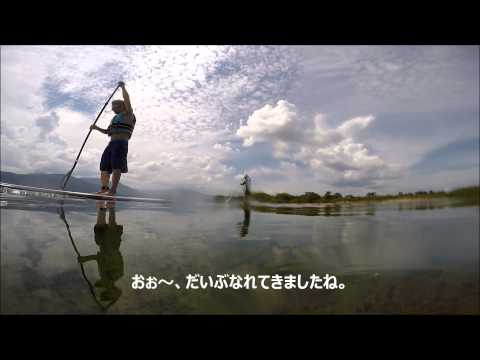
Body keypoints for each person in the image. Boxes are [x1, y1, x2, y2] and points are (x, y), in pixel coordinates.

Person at [90, 81, 136, 196]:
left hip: (121, 143)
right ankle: (104, 188)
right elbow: (108, 132)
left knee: (116, 165)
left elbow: (127, 99)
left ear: (122, 106)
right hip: (111, 143)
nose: (112, 109)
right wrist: (96, 128)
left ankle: (113, 191)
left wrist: (123, 87)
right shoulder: (115, 118)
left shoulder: (128, 114)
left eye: (114, 106)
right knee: (104, 166)